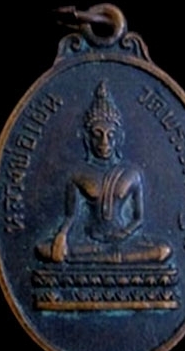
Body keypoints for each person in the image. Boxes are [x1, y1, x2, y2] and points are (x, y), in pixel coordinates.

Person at [36, 82, 171, 264]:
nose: (104, 142)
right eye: (97, 134)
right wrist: (61, 235)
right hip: (90, 239)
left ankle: (95, 259)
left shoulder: (132, 173)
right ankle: (106, 258)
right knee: (43, 249)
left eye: (110, 135)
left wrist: (125, 233)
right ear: (87, 138)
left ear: (119, 138)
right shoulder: (78, 174)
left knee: (162, 250)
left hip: (123, 240)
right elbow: (71, 216)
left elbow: (138, 218)